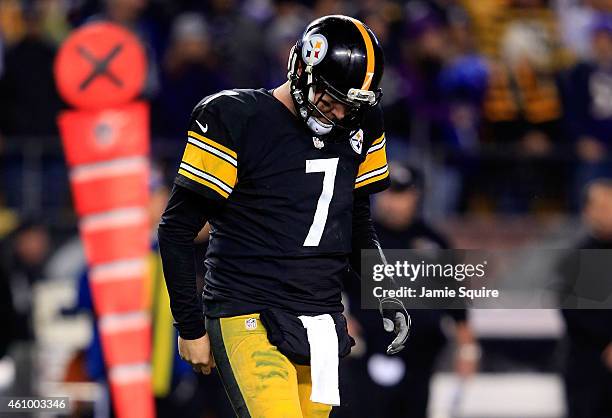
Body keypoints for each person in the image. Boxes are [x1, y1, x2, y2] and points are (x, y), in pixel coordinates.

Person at [158, 15, 410, 418]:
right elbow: (175, 229)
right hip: (248, 307)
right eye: (330, 99)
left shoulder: (363, 121)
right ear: (300, 70)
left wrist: (384, 289)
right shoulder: (236, 116)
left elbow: (356, 221)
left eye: (350, 105)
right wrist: (190, 326)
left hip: (321, 315)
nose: (340, 115)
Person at [340, 163, 478, 418]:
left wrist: (467, 347)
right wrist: (341, 320)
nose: (392, 201)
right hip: (369, 351)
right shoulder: (358, 238)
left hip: (420, 355)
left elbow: (455, 300)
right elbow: (329, 285)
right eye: (387, 192)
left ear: (416, 195)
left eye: (400, 193)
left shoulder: (433, 242)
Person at [560, 179, 612, 418]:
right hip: (588, 367)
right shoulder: (580, 256)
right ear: (587, 212)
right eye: (602, 207)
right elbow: (575, 312)